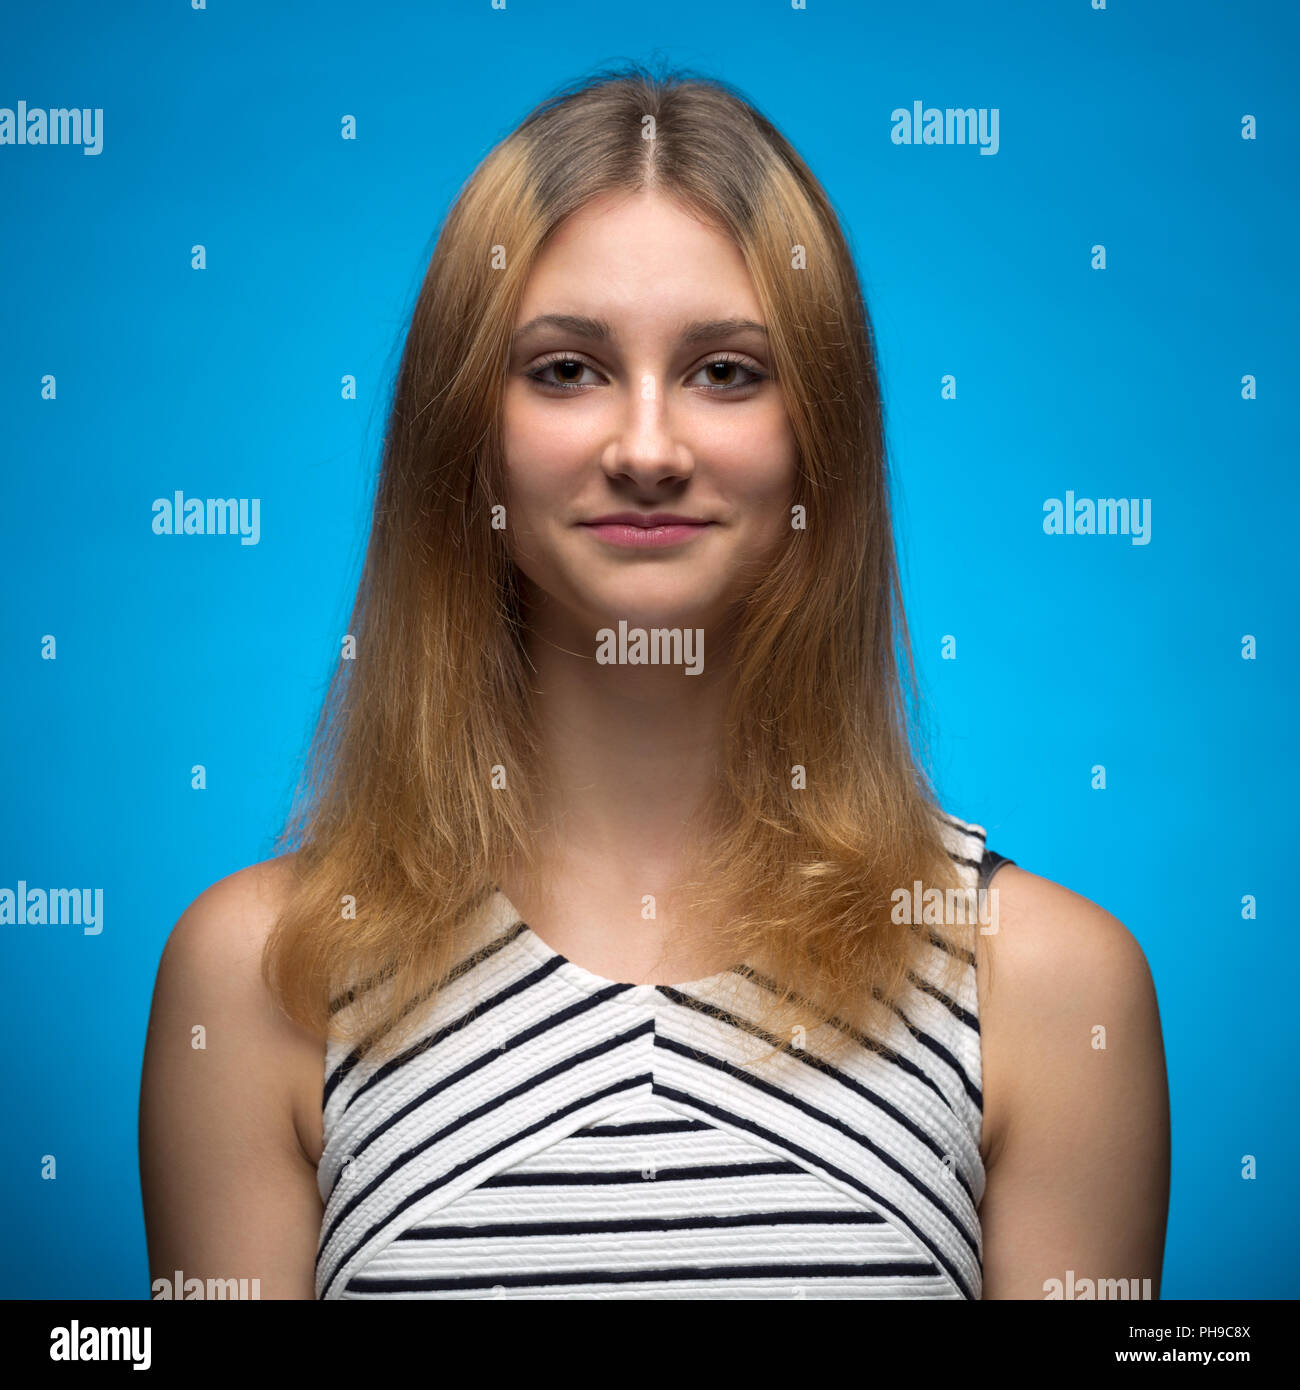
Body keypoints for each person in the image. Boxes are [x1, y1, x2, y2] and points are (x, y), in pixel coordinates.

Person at [139, 63, 1170, 1300]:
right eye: (565, 369)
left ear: (818, 438)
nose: (645, 449)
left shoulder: (1048, 986)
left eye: (725, 370)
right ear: (468, 436)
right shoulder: (261, 976)